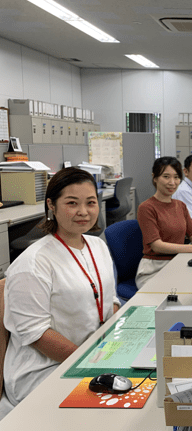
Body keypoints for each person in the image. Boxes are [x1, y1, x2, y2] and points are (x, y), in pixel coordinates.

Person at [0, 168, 120, 419]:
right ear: (51, 205)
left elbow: (110, 301)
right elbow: (37, 334)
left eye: (90, 202)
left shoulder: (97, 245)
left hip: (94, 355)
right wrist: (89, 364)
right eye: (71, 203)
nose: (83, 212)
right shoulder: (33, 263)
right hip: (45, 370)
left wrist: (119, 342)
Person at [135, 157, 192, 289]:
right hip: (154, 269)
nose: (172, 182)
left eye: (176, 177)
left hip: (179, 263)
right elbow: (157, 246)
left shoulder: (181, 206)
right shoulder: (146, 208)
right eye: (166, 176)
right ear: (155, 177)